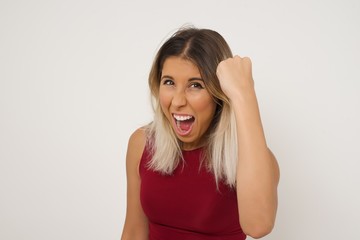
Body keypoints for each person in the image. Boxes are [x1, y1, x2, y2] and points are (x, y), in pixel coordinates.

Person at [121, 26, 280, 240]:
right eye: (169, 82)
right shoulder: (142, 143)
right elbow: (133, 232)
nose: (177, 101)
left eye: (195, 85)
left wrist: (244, 93)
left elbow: (259, 226)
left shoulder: (252, 159)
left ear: (219, 93)